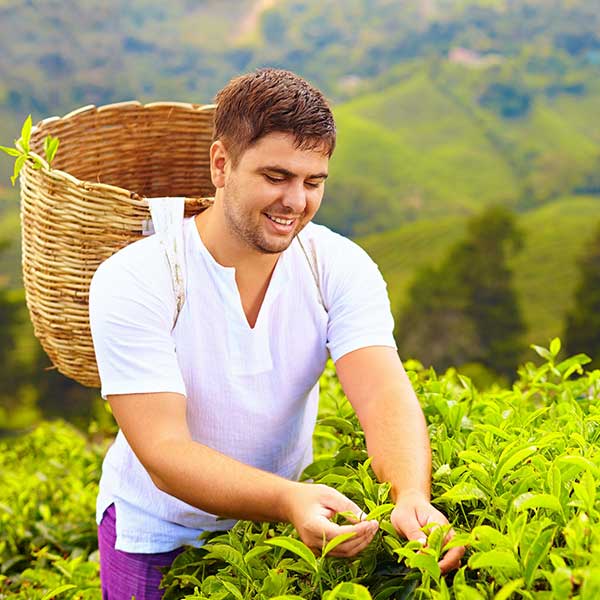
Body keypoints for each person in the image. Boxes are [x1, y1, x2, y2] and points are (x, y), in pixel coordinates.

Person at [89, 68, 464, 599]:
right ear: (221, 164)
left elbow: (381, 389)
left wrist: (411, 493)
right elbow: (164, 450)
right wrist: (288, 498)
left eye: (313, 182)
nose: (296, 202)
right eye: (276, 176)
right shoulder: (138, 277)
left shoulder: (337, 265)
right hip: (158, 530)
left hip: (277, 529)